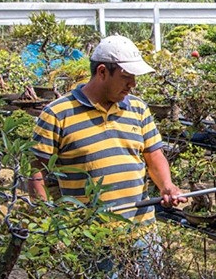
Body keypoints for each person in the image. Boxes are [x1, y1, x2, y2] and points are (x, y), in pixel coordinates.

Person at [28, 34, 186, 224]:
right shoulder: (57, 114)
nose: (133, 84)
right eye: (126, 77)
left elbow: (153, 155)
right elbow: (37, 170)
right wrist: (46, 221)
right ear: (102, 72)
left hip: (141, 229)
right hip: (88, 233)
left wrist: (167, 185)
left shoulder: (138, 109)